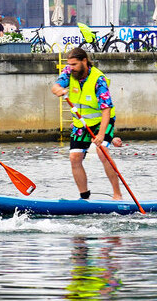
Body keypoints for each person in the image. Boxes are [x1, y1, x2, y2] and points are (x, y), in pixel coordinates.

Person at [50, 47, 124, 201]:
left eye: (75, 64)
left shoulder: (99, 79)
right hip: (81, 123)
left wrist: (101, 135)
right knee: (74, 158)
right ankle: (84, 198)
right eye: (69, 64)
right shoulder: (69, 72)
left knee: (102, 150)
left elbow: (106, 110)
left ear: (84, 61)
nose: (71, 68)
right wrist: (58, 90)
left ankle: (117, 194)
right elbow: (55, 86)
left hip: (101, 121)